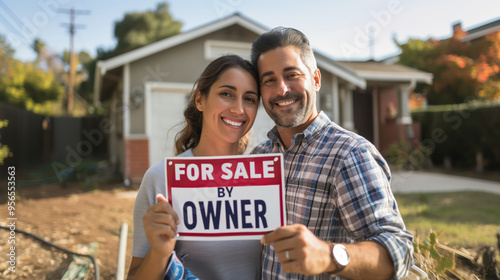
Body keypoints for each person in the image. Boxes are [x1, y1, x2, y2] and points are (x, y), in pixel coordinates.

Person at [250, 27, 414, 280]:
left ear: (315, 80)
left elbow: (398, 251)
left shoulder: (349, 154)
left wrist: (328, 255)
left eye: (292, 74)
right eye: (269, 80)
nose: (282, 90)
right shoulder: (259, 156)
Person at [127, 55, 261, 280]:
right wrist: (160, 253)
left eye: (249, 99)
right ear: (200, 100)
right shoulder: (161, 178)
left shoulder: (265, 178)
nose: (239, 109)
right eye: (226, 94)